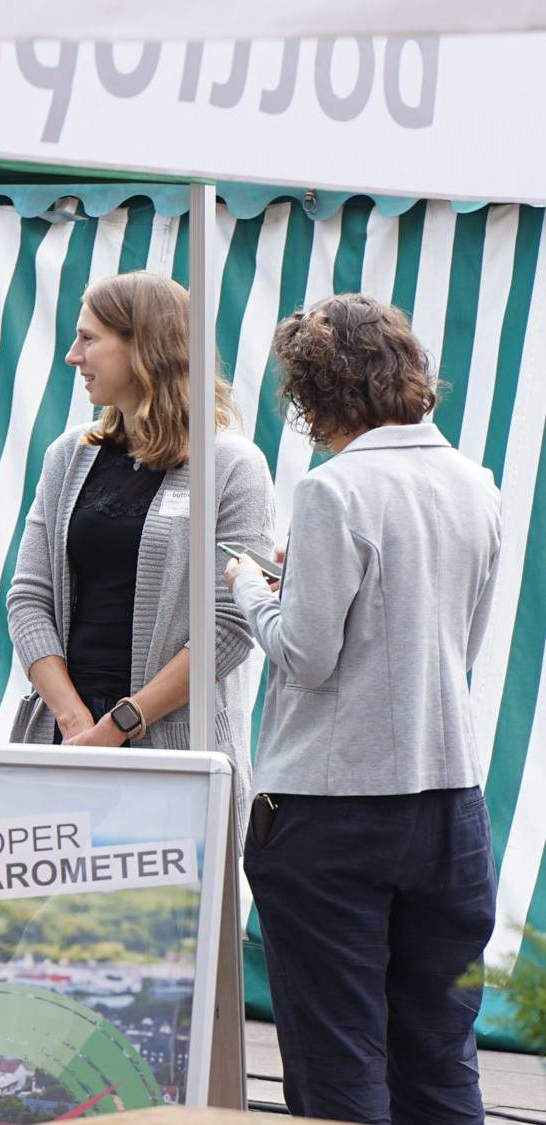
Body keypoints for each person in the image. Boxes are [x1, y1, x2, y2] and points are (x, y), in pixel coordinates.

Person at [227, 293, 501, 1125]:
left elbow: (306, 658)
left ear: (314, 396)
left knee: (340, 1065)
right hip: (451, 805)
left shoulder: (331, 491)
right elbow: (456, 643)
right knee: (441, 1061)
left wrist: (249, 591)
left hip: (331, 809)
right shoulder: (475, 483)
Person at [6, 271, 273, 762]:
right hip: (63, 739)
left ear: (144, 347)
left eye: (88, 338)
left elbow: (229, 626)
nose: (73, 355)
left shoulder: (233, 466)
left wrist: (120, 725)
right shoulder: (68, 455)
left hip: (179, 752)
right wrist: (73, 720)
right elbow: (28, 598)